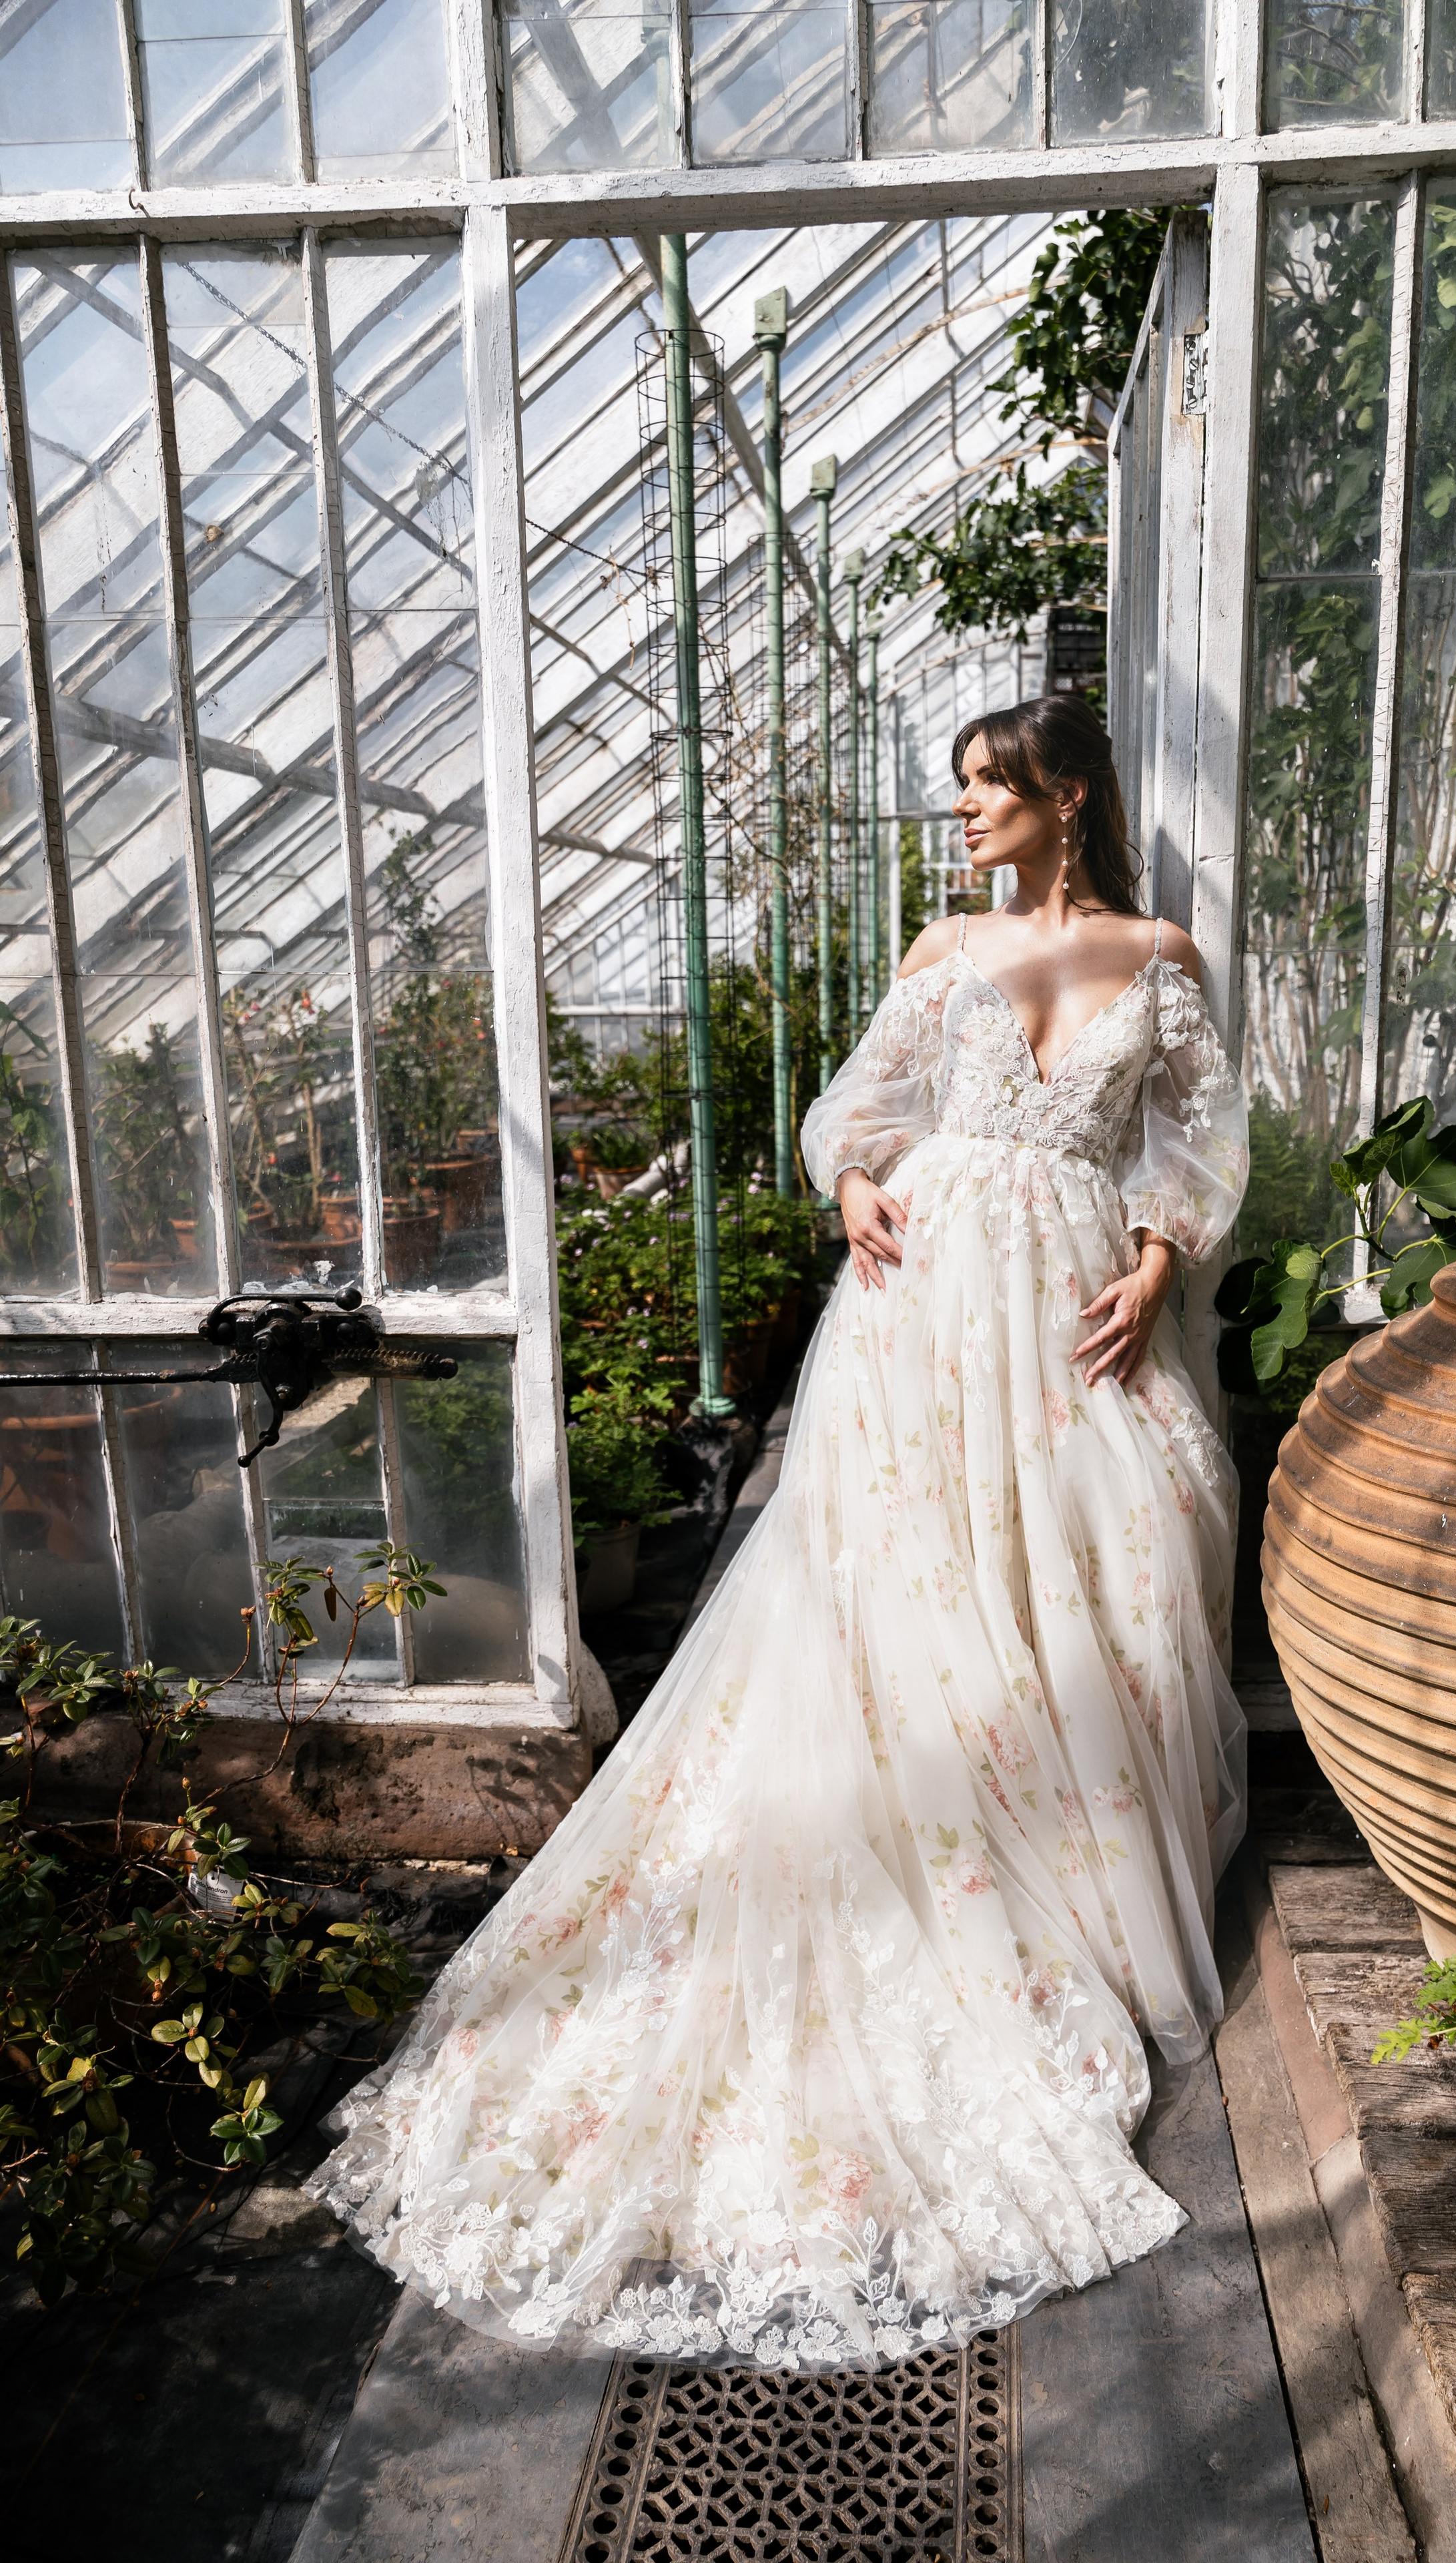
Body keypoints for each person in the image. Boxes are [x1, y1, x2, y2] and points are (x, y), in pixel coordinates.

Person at [309, 695, 1250, 2373]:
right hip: (923, 1304)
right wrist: (851, 1192)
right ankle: (938, 1849)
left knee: (1117, 1564)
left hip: (1067, 1307)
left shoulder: (1156, 951)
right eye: (960, 789)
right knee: (908, 1594)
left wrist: (1157, 1266)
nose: (962, 813)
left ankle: (1084, 1891)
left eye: (987, 788)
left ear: (1065, 796)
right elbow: (851, 1110)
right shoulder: (939, 946)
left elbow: (1193, 1143)